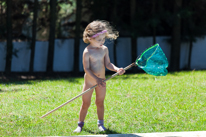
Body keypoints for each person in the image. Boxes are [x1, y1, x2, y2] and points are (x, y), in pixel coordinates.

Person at [74, 20, 125, 133]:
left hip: (102, 81)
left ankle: (100, 124)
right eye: (99, 39)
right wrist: (96, 79)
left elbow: (108, 64)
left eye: (103, 39)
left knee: (100, 102)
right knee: (85, 103)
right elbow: (86, 69)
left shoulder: (104, 50)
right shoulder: (87, 51)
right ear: (90, 38)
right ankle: (80, 125)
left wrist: (116, 69)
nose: (102, 42)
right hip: (90, 82)